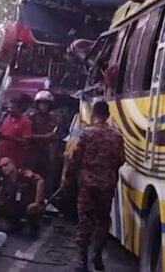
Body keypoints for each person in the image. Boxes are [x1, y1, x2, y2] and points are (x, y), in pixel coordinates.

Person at [64, 101, 124, 272]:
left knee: (85, 220)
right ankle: (97, 255)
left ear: (94, 114)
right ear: (108, 115)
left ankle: (82, 261)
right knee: (103, 221)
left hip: (87, 185)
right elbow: (120, 160)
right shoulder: (117, 136)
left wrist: (68, 177)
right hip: (106, 185)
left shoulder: (86, 134)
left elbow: (74, 158)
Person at [0, 157, 44, 236]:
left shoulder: (25, 175)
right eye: (2, 167)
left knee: (33, 210)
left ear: (12, 164)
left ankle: (34, 228)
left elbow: (40, 182)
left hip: (29, 206)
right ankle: (15, 224)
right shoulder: (5, 181)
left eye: (6, 165)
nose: (4, 168)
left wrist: (36, 202)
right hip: (17, 206)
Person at [27, 90, 58, 195]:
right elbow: (28, 135)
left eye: (46, 103)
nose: (44, 106)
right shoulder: (31, 117)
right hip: (33, 152)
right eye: (41, 103)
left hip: (46, 153)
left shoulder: (53, 119)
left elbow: (55, 137)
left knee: (45, 177)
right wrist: (44, 137)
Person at [0, 94, 33, 171]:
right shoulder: (5, 119)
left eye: (13, 108)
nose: (10, 110)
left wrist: (11, 138)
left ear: (20, 108)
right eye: (9, 107)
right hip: (0, 159)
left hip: (14, 162)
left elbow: (26, 142)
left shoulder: (25, 123)